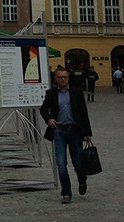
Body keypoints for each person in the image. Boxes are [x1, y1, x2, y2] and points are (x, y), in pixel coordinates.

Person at [40, 65, 93, 204]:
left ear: (68, 78)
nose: (63, 79)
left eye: (65, 77)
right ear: (56, 78)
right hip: (59, 131)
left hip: (75, 130)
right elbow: (44, 109)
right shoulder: (51, 93)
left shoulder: (76, 92)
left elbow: (83, 113)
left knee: (78, 163)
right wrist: (49, 119)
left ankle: (82, 180)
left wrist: (88, 133)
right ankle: (66, 193)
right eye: (60, 77)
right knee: (61, 164)